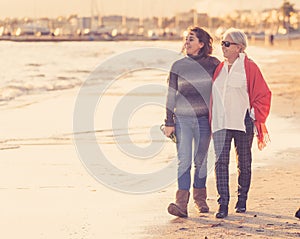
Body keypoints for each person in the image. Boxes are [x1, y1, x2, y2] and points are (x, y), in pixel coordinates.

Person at [211, 28, 271, 219]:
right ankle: (222, 204)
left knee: (243, 162)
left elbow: (263, 94)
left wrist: (252, 114)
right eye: (222, 43)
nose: (223, 47)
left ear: (239, 47)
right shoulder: (219, 68)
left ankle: (242, 199)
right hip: (221, 122)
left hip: (243, 121)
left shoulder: (250, 67)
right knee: (220, 162)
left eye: (227, 44)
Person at [164, 26, 220, 217]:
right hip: (182, 121)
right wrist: (168, 121)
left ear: (202, 44)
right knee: (184, 161)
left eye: (191, 39)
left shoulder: (213, 64)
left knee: (201, 161)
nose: (187, 43)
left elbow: (222, 90)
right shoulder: (178, 66)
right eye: (186, 39)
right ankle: (181, 204)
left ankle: (200, 199)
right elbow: (171, 95)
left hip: (204, 120)